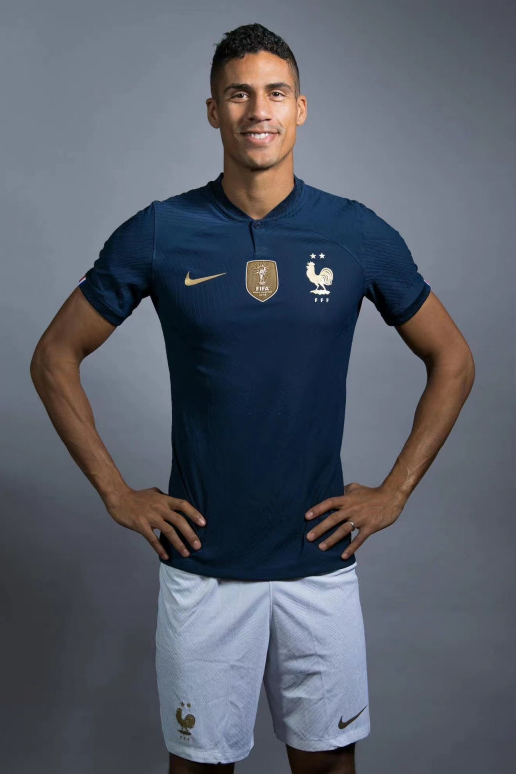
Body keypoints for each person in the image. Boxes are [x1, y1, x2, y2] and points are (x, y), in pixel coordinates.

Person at [30, 22, 475, 774]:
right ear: (214, 111)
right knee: (201, 768)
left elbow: (453, 359)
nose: (257, 110)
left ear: (301, 108)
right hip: (203, 564)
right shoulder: (161, 232)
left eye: (275, 93)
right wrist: (116, 492)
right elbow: (54, 357)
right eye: (238, 94)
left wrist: (395, 492)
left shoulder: (355, 233)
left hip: (319, 562)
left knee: (327, 766)